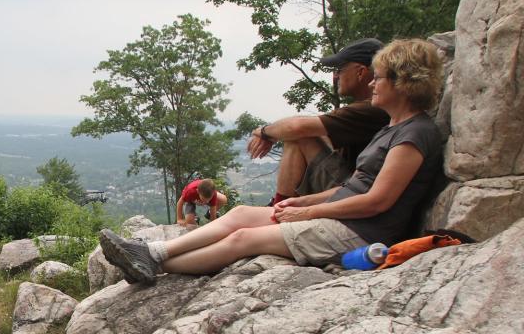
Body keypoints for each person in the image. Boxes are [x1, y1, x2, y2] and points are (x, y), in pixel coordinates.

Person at [100, 38, 443, 284]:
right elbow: (353, 187)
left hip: (360, 232)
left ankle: (155, 265)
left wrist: (306, 213)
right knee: (241, 214)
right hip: (342, 216)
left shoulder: (414, 134)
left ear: (403, 83)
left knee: (243, 239)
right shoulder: (391, 127)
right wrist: (303, 200)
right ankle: (153, 251)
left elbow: (377, 201)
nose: (374, 84)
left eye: (380, 77)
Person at [248, 38, 390, 205]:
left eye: (340, 69)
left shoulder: (371, 110)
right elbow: (312, 130)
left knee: (299, 135)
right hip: (355, 185)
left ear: (360, 72)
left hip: (352, 190)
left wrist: (264, 132)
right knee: (303, 133)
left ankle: (278, 208)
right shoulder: (370, 108)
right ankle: (279, 205)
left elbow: (297, 127)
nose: (335, 75)